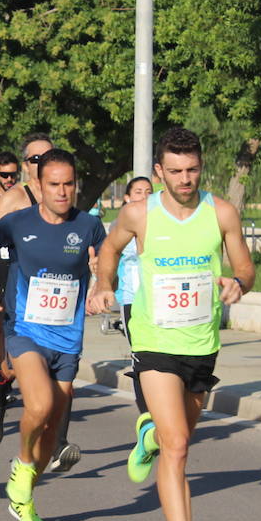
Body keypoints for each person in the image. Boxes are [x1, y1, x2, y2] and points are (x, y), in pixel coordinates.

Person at [86, 128, 255, 521]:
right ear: (159, 171)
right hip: (154, 340)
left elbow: (244, 266)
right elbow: (109, 248)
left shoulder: (220, 212)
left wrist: (238, 283)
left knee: (175, 437)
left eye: (193, 169)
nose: (185, 179)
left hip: (202, 343)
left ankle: (148, 435)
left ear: (202, 167)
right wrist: (104, 285)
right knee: (178, 445)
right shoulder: (139, 213)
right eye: (175, 171)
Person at [0, 149, 106, 521]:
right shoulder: (17, 222)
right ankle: (21, 463)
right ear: (40, 185)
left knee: (52, 426)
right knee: (40, 404)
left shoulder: (89, 226)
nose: (62, 192)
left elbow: (105, 262)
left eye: (69, 184)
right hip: (25, 329)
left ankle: (25, 492)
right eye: (54, 185)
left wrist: (101, 282)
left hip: (68, 337)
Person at [0, 136, 75, 465]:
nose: (42, 163)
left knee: (62, 370)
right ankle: (1, 395)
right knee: (11, 364)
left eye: (49, 157)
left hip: (55, 296)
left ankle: (59, 443)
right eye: (35, 159)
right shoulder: (17, 197)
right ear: (27, 165)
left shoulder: (63, 196)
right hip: (13, 284)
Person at [116, 175, 156, 427]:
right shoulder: (123, 225)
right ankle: (147, 414)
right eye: (138, 191)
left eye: (149, 191)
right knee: (141, 355)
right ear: (128, 198)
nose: (144, 195)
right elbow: (115, 252)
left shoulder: (165, 223)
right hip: (132, 299)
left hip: (159, 300)